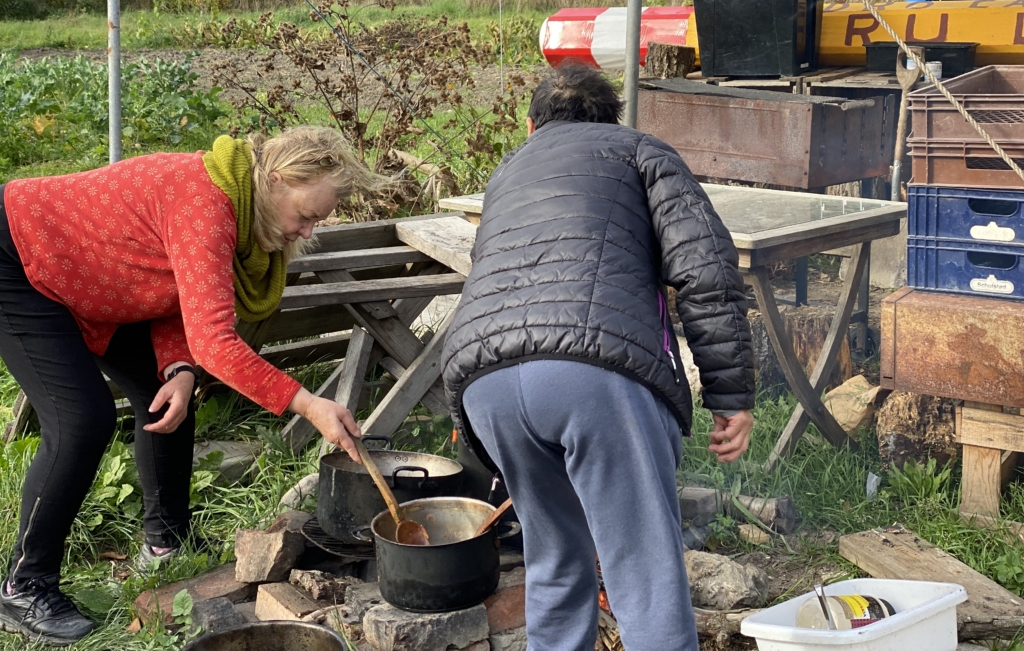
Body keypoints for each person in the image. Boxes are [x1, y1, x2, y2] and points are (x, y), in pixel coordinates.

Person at [0, 126, 371, 646]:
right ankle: (24, 583)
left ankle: (166, 540)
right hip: (19, 256)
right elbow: (216, 343)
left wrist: (180, 367)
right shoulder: (209, 203)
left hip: (85, 273)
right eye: (306, 216)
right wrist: (308, 404)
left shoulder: (235, 200)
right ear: (278, 179)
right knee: (82, 418)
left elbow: (170, 288)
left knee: (167, 383)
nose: (307, 232)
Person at [442, 64, 756, 651]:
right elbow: (705, 272)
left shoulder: (507, 171)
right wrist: (730, 396)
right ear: (613, 119)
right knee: (643, 568)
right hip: (591, 376)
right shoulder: (641, 152)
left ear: (531, 125)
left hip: (483, 384)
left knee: (555, 561)